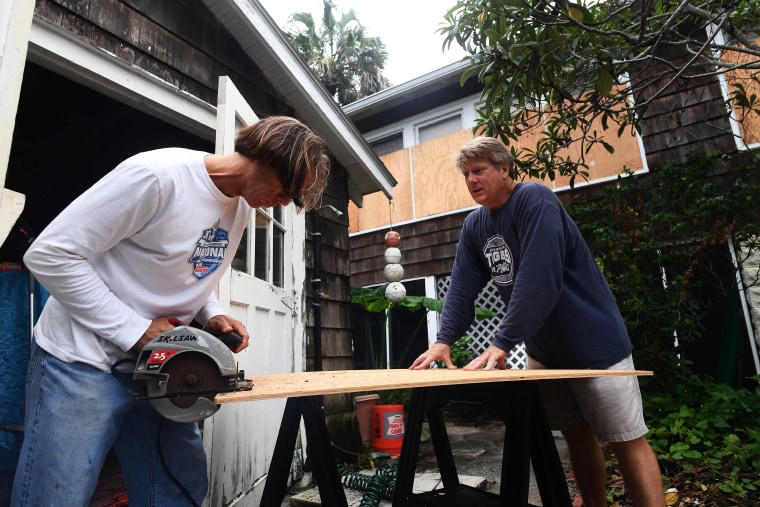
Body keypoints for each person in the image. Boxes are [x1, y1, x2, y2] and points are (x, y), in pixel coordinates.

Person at [11, 116, 330, 506]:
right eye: (288, 191)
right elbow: (49, 255)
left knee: (178, 491)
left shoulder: (240, 207)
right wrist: (138, 330)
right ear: (268, 157)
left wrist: (210, 312)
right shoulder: (155, 177)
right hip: (82, 361)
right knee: (57, 495)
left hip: (160, 369)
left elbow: (191, 270)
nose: (285, 204)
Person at [410, 136, 666, 506]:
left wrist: (503, 341)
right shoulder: (475, 226)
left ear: (504, 169)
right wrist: (444, 339)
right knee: (575, 435)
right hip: (547, 353)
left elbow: (539, 278)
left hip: (596, 347)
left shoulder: (535, 200)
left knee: (627, 439)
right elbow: (462, 286)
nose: (471, 180)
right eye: (466, 174)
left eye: (479, 170)